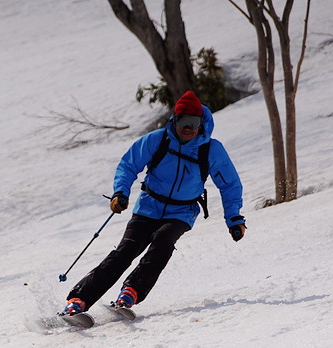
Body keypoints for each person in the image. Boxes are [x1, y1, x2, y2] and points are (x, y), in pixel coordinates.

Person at [63, 90, 246, 315]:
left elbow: (230, 185)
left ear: (202, 123)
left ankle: (130, 292)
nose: (187, 128)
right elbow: (128, 165)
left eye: (193, 122)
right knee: (126, 250)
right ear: (174, 120)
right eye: (183, 121)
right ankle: (78, 300)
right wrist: (120, 193)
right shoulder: (157, 140)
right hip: (149, 205)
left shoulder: (211, 150)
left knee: (163, 241)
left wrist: (234, 218)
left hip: (182, 211)